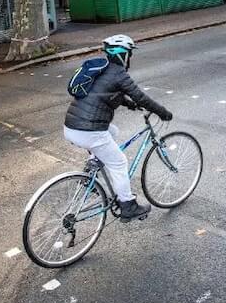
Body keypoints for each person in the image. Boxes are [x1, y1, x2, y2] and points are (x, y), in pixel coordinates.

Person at [63, 34, 172, 223]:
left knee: (112, 132)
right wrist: (163, 112)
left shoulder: (103, 70)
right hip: (89, 132)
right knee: (119, 162)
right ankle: (128, 205)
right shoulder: (119, 74)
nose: (130, 57)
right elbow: (141, 97)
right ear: (123, 55)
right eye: (129, 53)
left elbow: (107, 93)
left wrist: (129, 105)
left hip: (72, 127)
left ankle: (94, 162)